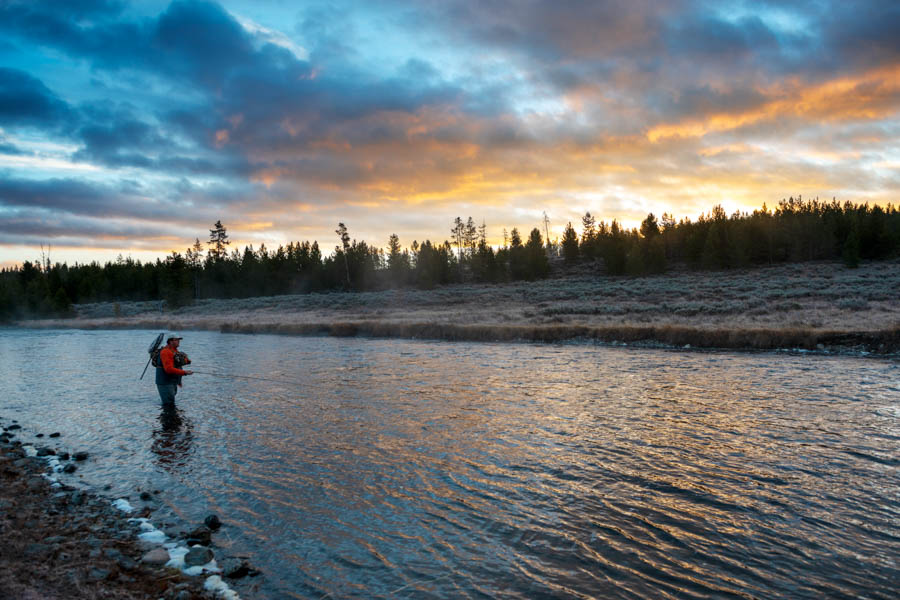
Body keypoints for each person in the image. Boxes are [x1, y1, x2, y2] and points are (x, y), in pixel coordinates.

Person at [155, 335, 193, 406]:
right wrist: (184, 372)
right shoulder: (165, 352)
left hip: (172, 381)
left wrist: (187, 361)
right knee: (168, 404)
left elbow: (178, 362)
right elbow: (168, 369)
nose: (179, 341)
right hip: (165, 382)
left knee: (170, 402)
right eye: (176, 340)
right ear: (170, 341)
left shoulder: (174, 350)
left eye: (179, 340)